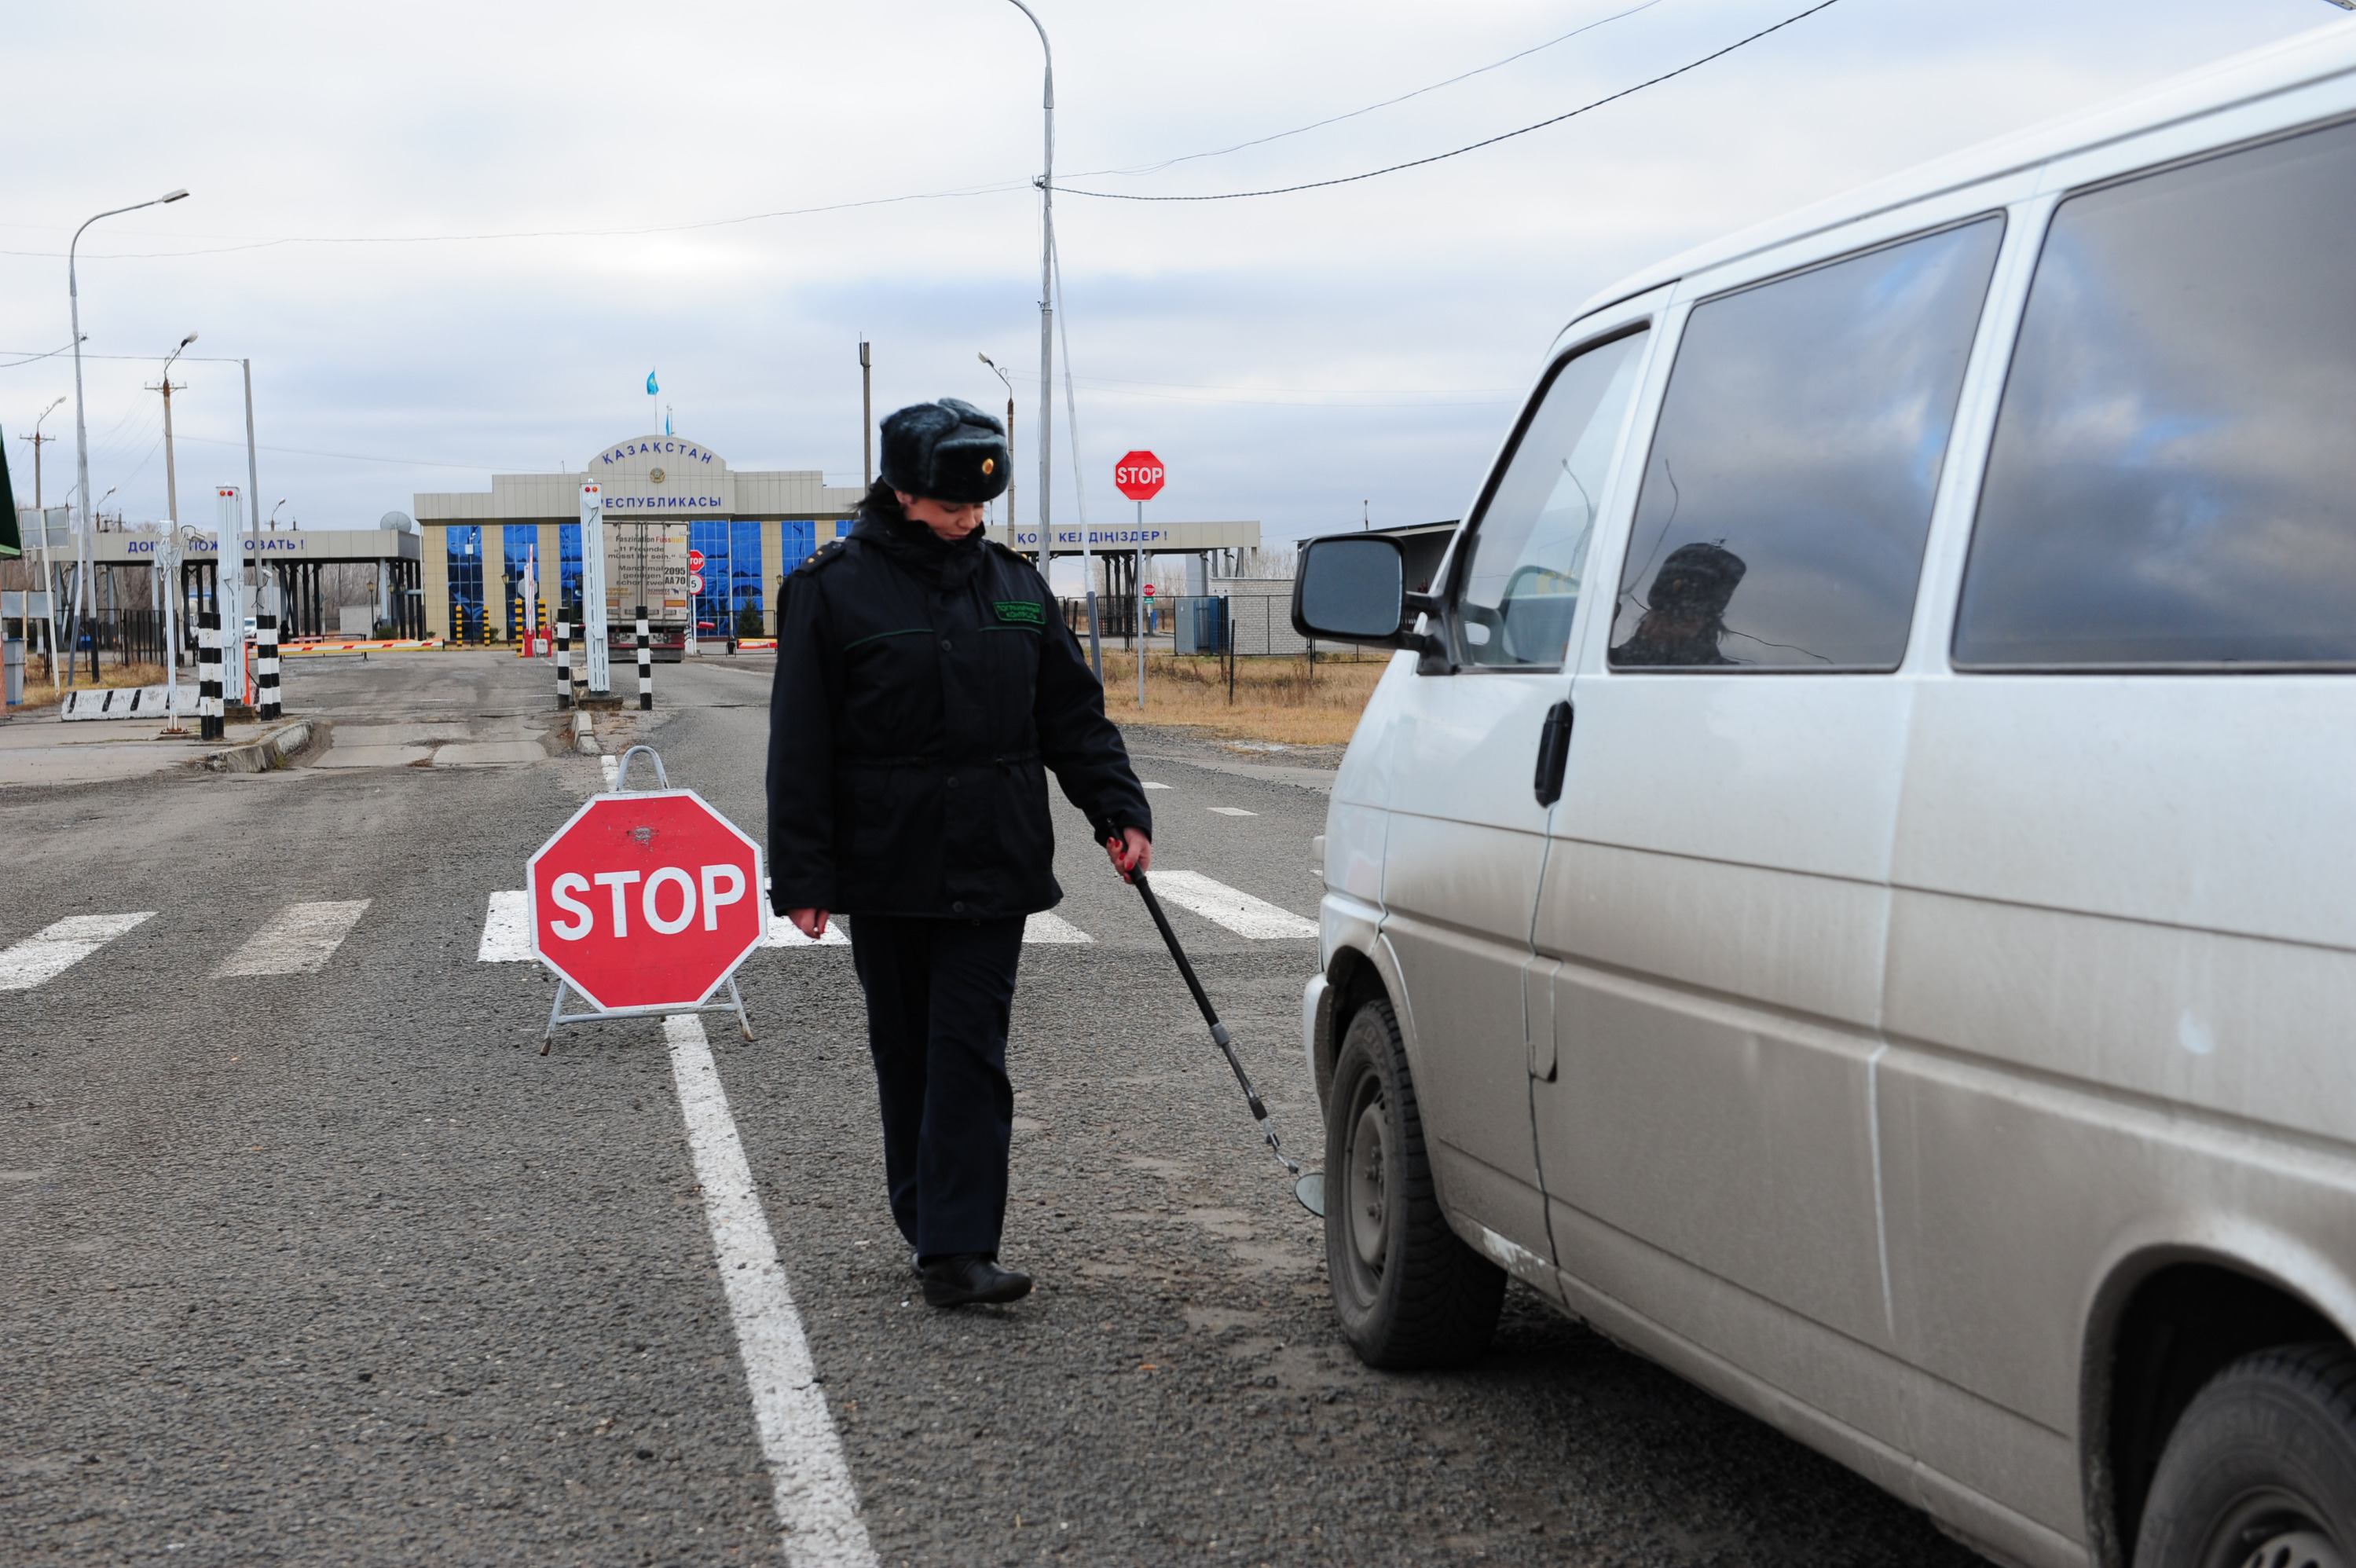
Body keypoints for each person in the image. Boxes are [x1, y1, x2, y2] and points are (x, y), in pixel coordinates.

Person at [766, 397, 1154, 1308]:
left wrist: (1116, 809)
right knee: (906, 1053)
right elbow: (800, 745)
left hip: (993, 859)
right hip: (887, 865)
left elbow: (1070, 714)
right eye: (950, 506)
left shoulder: (1015, 589)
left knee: (969, 1050)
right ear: (902, 491)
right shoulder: (831, 589)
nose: (969, 520)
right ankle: (926, 1221)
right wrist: (803, 876)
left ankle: (958, 1246)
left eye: (980, 506)